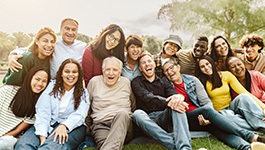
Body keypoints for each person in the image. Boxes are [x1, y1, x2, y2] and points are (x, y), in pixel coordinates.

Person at [163, 57, 265, 150]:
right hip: (184, 118)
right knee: (207, 111)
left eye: (171, 68)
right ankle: (251, 136)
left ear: (178, 67)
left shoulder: (192, 80)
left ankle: (247, 147)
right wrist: (208, 114)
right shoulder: (165, 85)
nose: (169, 72)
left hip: (201, 116)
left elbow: (205, 101)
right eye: (166, 70)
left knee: (219, 131)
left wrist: (207, 118)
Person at [15, 58, 90, 150]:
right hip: (47, 123)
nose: (71, 75)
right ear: (61, 73)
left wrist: (64, 126)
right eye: (67, 71)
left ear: (79, 75)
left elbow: (80, 115)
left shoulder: (83, 92)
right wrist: (42, 137)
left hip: (73, 127)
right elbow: (43, 111)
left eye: (74, 72)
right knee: (23, 145)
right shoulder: (51, 87)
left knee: (51, 147)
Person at [131, 51, 192, 150]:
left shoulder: (164, 81)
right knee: (137, 114)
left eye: (149, 61)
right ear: (140, 68)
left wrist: (179, 98)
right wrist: (169, 102)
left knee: (177, 105)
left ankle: (184, 148)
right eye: (143, 63)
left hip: (163, 118)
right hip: (147, 120)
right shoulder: (136, 82)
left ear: (154, 64)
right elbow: (146, 97)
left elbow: (174, 95)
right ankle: (174, 143)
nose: (147, 64)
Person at [195, 55, 265, 133]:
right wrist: (209, 117)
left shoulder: (226, 75)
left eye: (207, 64)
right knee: (229, 116)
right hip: (219, 112)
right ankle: (259, 128)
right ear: (200, 70)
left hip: (232, 106)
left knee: (244, 97)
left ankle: (262, 124)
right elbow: (202, 102)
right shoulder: (200, 82)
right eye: (202, 66)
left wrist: (264, 108)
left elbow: (244, 92)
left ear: (211, 63)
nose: (206, 67)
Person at [8, 18, 86, 79]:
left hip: (73, 86)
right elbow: (28, 49)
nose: (70, 32)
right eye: (67, 28)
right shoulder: (53, 42)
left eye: (73, 29)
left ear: (77, 31)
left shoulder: (83, 47)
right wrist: (12, 55)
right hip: (52, 85)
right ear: (61, 30)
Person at [86, 56, 135, 150]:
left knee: (123, 113)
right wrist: (87, 127)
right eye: (107, 69)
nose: (111, 73)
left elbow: (133, 105)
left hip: (123, 124)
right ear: (103, 71)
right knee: (106, 144)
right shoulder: (94, 82)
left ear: (120, 72)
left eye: (115, 70)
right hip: (101, 125)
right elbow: (87, 106)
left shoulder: (126, 83)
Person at [0, 67, 50, 150]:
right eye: (37, 79)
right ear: (29, 78)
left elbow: (17, 131)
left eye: (44, 81)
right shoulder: (8, 90)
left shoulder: (39, 105)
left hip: (8, 138)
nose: (40, 83)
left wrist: (3, 136)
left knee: (5, 143)